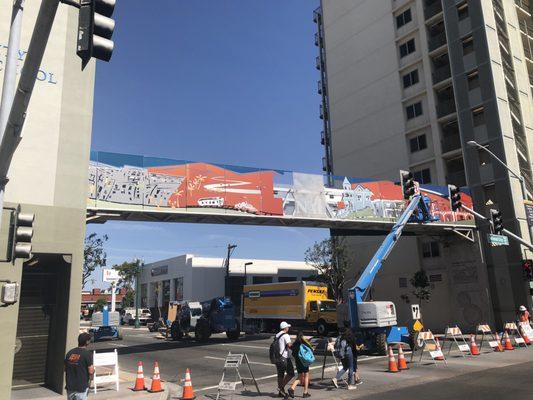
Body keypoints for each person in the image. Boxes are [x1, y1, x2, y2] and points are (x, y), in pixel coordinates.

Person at [65, 333, 94, 400]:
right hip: (81, 388)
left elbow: (65, 368)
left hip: (70, 387)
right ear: (87, 342)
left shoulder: (70, 353)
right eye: (89, 340)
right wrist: (91, 378)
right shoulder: (87, 354)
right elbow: (91, 371)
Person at [288, 331, 313, 398]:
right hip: (304, 361)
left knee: (299, 376)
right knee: (306, 375)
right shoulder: (304, 343)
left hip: (297, 362)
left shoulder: (295, 344)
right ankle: (305, 392)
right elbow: (310, 349)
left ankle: (292, 388)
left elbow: (293, 353)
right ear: (302, 336)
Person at [275, 321, 295, 398]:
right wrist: (295, 343)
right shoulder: (285, 335)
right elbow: (289, 345)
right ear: (285, 328)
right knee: (291, 373)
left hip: (277, 357)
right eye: (287, 327)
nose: (288, 328)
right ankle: (280, 388)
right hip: (284, 357)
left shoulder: (277, 335)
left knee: (280, 374)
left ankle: (281, 392)